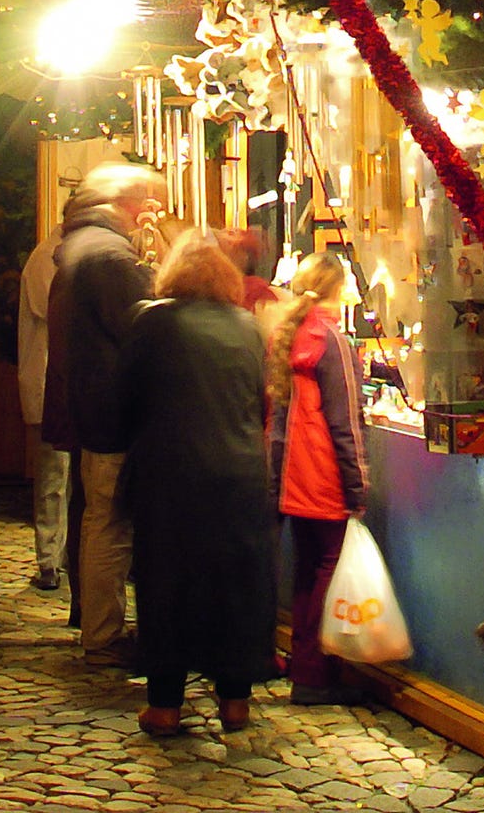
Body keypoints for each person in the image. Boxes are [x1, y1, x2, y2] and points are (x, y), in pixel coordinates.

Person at [116, 230, 277, 736]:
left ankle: (165, 704)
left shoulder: (151, 320)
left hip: (171, 474)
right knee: (237, 585)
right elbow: (260, 400)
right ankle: (235, 702)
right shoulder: (248, 327)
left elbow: (126, 397)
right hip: (240, 475)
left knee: (167, 585)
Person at [43, 161, 166, 663]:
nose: (155, 211)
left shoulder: (87, 246)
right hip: (114, 411)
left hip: (93, 405)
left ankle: (98, 627)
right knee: (110, 523)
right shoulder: (110, 257)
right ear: (129, 204)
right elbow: (145, 330)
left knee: (100, 518)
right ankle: (104, 633)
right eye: (150, 201)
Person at [266, 253, 372, 706]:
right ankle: (317, 671)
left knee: (308, 570)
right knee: (329, 567)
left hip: (292, 473)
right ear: (337, 287)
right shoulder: (332, 339)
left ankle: (305, 662)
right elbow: (345, 419)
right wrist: (359, 484)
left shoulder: (288, 335)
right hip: (323, 470)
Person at [16, 188, 82, 593]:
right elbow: (54, 308)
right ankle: (48, 559)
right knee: (54, 477)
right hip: (48, 379)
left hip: (64, 381)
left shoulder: (68, 254)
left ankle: (62, 557)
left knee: (67, 478)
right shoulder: (48, 257)